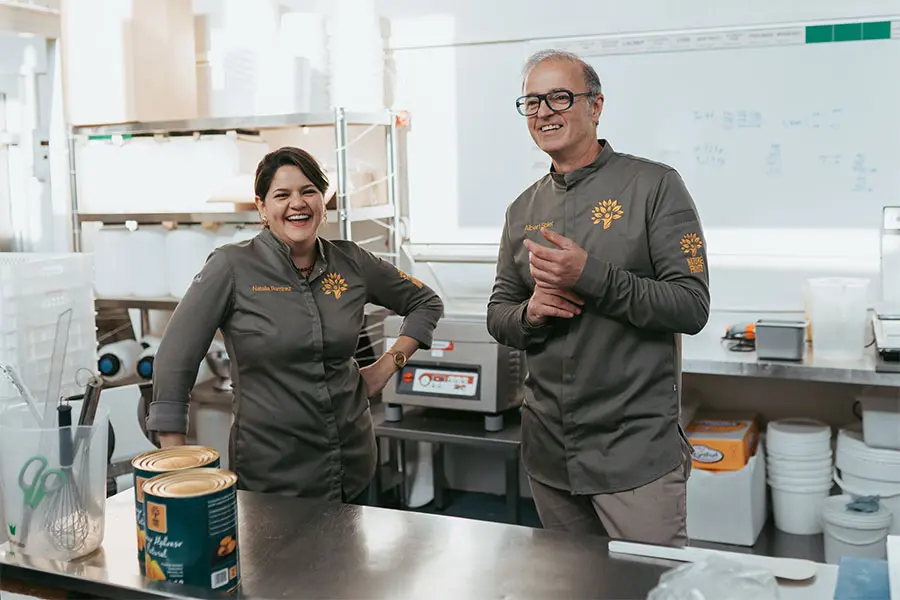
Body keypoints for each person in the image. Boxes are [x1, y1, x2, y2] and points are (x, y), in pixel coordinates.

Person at [486, 49, 710, 546]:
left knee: (648, 586)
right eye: (532, 102)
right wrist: (531, 312)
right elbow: (499, 314)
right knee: (574, 587)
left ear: (596, 105)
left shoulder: (655, 186)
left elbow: (691, 306)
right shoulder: (522, 208)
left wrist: (593, 277)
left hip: (634, 455)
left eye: (560, 97)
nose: (544, 111)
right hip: (549, 454)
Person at [146, 146, 444, 504]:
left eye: (308, 192)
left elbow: (425, 302)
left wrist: (386, 366)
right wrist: (176, 460)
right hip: (272, 475)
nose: (297, 204)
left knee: (351, 561)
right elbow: (175, 358)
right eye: (282, 195)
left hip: (351, 464)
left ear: (323, 199)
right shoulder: (232, 267)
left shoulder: (351, 262)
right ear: (262, 207)